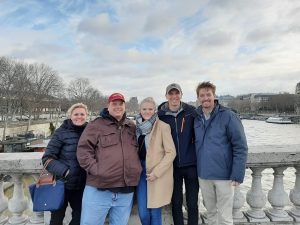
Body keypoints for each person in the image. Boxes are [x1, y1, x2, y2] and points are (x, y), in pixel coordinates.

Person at [77, 92, 142, 225]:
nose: (118, 106)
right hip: (99, 189)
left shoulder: (131, 126)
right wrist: (98, 171)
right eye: (114, 104)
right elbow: (83, 151)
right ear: (108, 106)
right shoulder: (96, 125)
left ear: (125, 106)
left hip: (126, 190)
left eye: (121, 104)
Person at [194, 81, 248, 225]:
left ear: (214, 95)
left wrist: (237, 173)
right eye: (202, 95)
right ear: (198, 98)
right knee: (210, 213)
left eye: (208, 94)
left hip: (224, 175)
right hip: (203, 174)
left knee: (225, 217)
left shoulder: (228, 116)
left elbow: (240, 146)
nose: (205, 98)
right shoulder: (196, 117)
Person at [158, 83, 199, 225]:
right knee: (176, 203)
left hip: (191, 165)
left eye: (177, 93)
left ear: (181, 94)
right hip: (172, 166)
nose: (174, 96)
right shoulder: (160, 116)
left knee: (192, 203)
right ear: (166, 96)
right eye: (171, 93)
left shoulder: (192, 112)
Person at [42, 103, 88, 225]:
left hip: (82, 186)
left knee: (80, 218)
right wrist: (66, 172)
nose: (79, 117)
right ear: (70, 116)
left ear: (86, 116)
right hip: (61, 185)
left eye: (82, 114)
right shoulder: (60, 132)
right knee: (56, 219)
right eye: (76, 114)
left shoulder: (90, 131)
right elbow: (47, 158)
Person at [136, 97, 176, 225]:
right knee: (143, 213)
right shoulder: (134, 127)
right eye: (144, 109)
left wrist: (157, 172)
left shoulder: (163, 126)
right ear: (140, 110)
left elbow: (171, 152)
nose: (147, 111)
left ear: (154, 110)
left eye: (150, 109)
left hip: (155, 172)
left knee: (155, 212)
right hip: (139, 171)